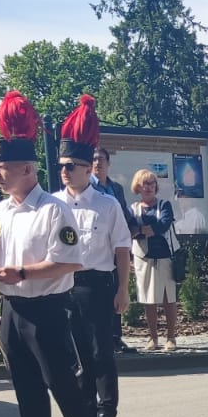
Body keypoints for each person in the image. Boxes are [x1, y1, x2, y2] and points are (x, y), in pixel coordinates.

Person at [0, 92, 101, 417]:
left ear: (27, 169)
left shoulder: (53, 210)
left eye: (2, 168)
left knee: (61, 383)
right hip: (13, 308)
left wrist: (23, 273)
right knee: (25, 385)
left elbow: (71, 260)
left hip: (47, 309)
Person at [57, 98, 133, 417]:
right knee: (76, 351)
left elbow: (121, 248)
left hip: (98, 283)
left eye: (71, 165)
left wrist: (122, 289)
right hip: (63, 284)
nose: (64, 171)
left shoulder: (107, 204)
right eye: (62, 165)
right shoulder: (53, 203)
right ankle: (84, 408)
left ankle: (106, 410)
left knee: (102, 350)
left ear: (88, 168)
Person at [91, 145, 139, 353]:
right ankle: (100, 339)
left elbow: (124, 215)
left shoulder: (116, 188)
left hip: (116, 250)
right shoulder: (87, 189)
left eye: (101, 159)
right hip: (98, 251)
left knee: (117, 291)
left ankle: (115, 337)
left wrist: (134, 228)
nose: (97, 163)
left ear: (108, 164)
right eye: (93, 159)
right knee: (99, 296)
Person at [130, 170, 179, 351]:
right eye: (145, 184)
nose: (149, 187)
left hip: (165, 256)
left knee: (169, 298)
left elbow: (163, 225)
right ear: (138, 186)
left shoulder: (165, 205)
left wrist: (142, 230)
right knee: (148, 299)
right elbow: (130, 229)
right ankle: (153, 338)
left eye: (152, 183)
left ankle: (171, 337)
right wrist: (145, 230)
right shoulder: (133, 208)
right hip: (143, 258)